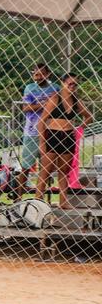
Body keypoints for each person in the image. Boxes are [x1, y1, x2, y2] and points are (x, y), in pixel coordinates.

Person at [37, 72, 92, 208]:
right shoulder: (55, 98)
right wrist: (42, 142)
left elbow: (89, 116)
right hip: (53, 135)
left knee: (63, 171)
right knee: (45, 171)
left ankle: (63, 202)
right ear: (63, 83)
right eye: (70, 83)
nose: (72, 86)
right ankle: (37, 201)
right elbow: (41, 121)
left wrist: (79, 128)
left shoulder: (76, 100)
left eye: (75, 84)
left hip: (68, 136)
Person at [20, 63, 60, 177]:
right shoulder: (29, 88)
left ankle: (44, 192)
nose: (39, 77)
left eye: (42, 74)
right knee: (26, 166)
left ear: (48, 74)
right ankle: (18, 193)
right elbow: (26, 108)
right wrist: (46, 104)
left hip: (50, 131)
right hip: (32, 132)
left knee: (47, 168)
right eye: (36, 75)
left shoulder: (56, 88)